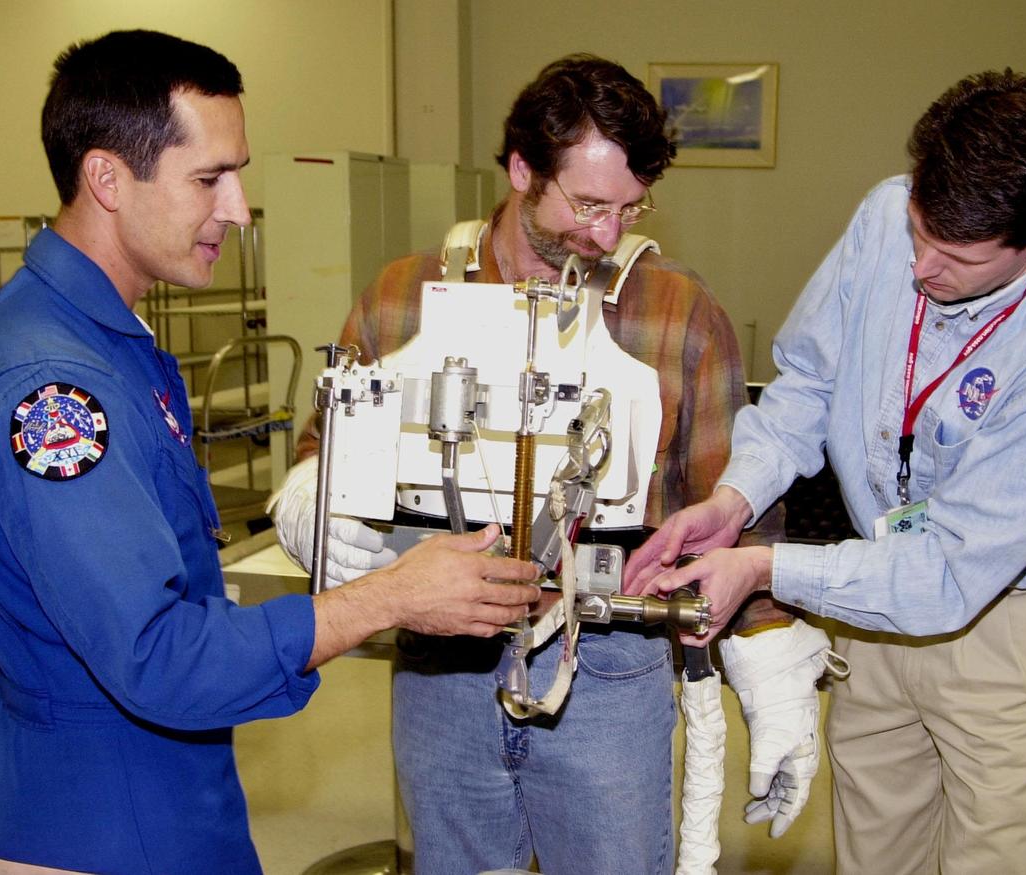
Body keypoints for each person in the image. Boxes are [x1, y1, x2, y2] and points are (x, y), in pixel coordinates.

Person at [0, 29, 537, 875]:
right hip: (113, 809)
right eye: (210, 178)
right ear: (106, 177)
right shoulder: (53, 389)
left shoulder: (104, 337)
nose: (241, 208)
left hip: (163, 775)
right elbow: (157, 654)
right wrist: (388, 597)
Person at [269, 54, 797, 874]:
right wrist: (315, 506)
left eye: (629, 207)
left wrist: (772, 667)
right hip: (442, 666)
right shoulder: (404, 300)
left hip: (611, 666)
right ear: (521, 169)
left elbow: (736, 503)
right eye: (587, 204)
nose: (608, 233)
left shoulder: (677, 313)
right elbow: (320, 453)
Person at [625, 69, 1026, 874]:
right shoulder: (883, 217)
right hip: (868, 604)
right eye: (921, 229)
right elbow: (809, 384)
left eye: (958, 256)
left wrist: (763, 565)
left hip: (997, 628)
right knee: (872, 853)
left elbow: (946, 571)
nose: (923, 266)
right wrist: (736, 495)